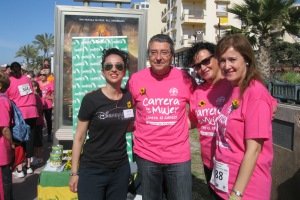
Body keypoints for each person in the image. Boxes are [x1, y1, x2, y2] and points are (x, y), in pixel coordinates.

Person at [127, 34, 197, 200]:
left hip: (178, 156)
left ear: (172, 55)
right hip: (146, 156)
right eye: (153, 52)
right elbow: (123, 106)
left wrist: (183, 125)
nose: (158, 58)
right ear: (148, 55)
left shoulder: (184, 79)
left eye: (164, 52)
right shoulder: (136, 80)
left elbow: (201, 107)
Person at [211, 34, 274, 200]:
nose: (226, 65)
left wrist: (236, 194)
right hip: (224, 184)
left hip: (246, 190)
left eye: (232, 59)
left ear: (246, 59)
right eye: (222, 60)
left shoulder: (255, 93)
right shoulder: (232, 88)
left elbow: (254, 150)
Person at [69, 48, 134, 200]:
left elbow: (133, 123)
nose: (114, 69)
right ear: (102, 71)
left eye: (119, 66)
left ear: (124, 72)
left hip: (120, 169)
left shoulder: (129, 97)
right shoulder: (91, 100)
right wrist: (74, 172)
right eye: (108, 66)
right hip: (93, 169)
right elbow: (79, 137)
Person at [184, 42, 233, 196]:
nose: (203, 68)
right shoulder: (198, 92)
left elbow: (264, 101)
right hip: (209, 162)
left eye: (206, 61)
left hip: (232, 161)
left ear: (217, 58)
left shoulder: (233, 84)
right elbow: (192, 120)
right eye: (197, 66)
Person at [5, 62, 38, 178]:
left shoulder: (9, 81)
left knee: (19, 140)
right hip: (32, 111)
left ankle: (19, 169)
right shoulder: (27, 79)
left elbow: (6, 97)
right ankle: (28, 166)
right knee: (30, 139)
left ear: (10, 70)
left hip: (19, 114)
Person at [0, 71, 14, 200]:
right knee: (5, 181)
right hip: (2, 148)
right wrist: (13, 143)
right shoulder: (2, 101)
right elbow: (5, 129)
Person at [38, 69, 54, 142]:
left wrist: (49, 97)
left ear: (47, 76)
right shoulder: (37, 83)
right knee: (40, 120)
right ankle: (40, 135)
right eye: (40, 74)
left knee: (48, 120)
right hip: (39, 105)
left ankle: (49, 134)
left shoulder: (50, 83)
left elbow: (54, 95)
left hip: (48, 105)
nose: (42, 76)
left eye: (43, 75)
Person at [31, 80, 44, 165]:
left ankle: (39, 157)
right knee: (35, 139)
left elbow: (38, 109)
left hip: (37, 121)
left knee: (37, 139)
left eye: (31, 86)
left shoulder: (36, 96)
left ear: (35, 87)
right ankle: (36, 155)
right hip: (36, 120)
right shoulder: (35, 96)